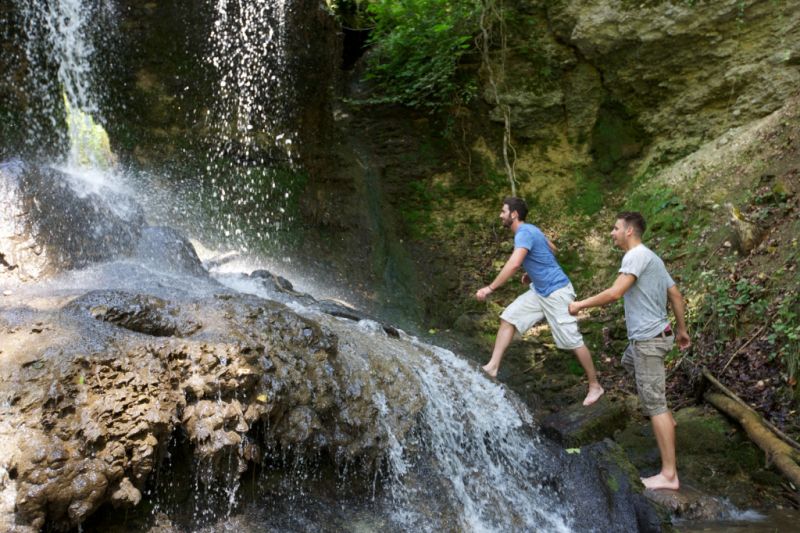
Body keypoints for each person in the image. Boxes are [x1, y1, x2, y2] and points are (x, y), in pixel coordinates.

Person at [568, 211, 691, 491]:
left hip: (649, 340)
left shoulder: (635, 256)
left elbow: (615, 293)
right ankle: (666, 420)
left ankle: (669, 475)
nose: (611, 233)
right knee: (629, 361)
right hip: (655, 336)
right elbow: (675, 294)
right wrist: (681, 330)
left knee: (654, 403)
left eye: (615, 228)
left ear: (629, 232)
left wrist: (579, 305)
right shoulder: (653, 257)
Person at [476, 197, 604, 407]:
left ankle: (595, 385)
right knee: (508, 318)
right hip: (540, 290)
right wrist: (534, 272)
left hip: (557, 292)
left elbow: (515, 263)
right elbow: (551, 249)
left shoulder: (524, 233)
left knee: (572, 340)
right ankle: (492, 366)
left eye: (503, 211)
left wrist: (490, 288)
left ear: (514, 214)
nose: (501, 215)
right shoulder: (531, 230)